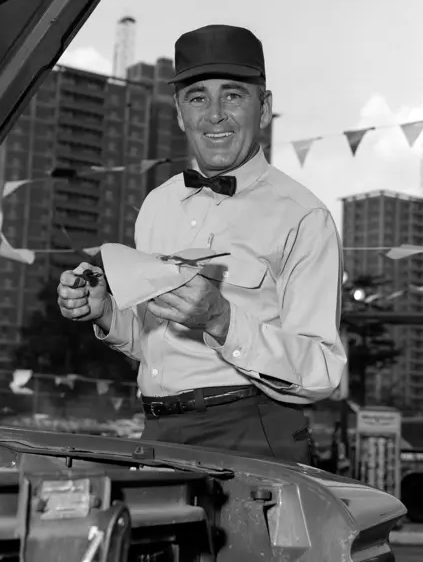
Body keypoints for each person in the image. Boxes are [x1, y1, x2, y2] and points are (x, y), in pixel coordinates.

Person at [57, 24, 347, 463]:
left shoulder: (304, 217)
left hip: (252, 432)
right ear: (178, 113)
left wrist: (222, 320)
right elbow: (157, 345)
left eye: (232, 95)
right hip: (157, 430)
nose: (214, 114)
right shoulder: (157, 204)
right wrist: (107, 314)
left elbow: (322, 371)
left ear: (264, 107)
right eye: (197, 97)